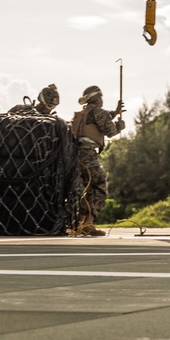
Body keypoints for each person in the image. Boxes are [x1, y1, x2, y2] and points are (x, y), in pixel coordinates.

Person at [69, 84, 124, 236]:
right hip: (88, 154)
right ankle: (88, 223)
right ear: (97, 98)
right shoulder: (98, 112)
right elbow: (110, 131)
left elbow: (98, 120)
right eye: (101, 98)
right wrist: (119, 126)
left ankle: (79, 222)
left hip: (76, 155)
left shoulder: (83, 113)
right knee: (100, 185)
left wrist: (115, 112)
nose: (102, 100)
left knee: (90, 189)